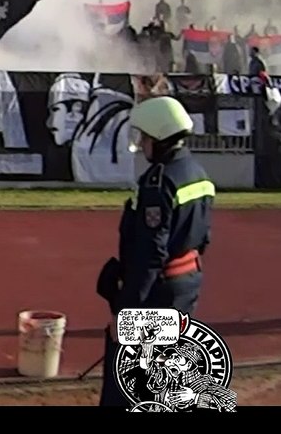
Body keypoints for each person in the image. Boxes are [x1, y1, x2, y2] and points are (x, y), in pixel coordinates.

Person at [98, 95, 214, 408]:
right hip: (186, 285)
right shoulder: (199, 174)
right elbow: (203, 237)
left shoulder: (158, 183)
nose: (143, 144)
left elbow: (150, 254)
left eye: (145, 137)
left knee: (128, 378)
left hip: (158, 291)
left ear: (160, 137)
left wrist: (125, 312)